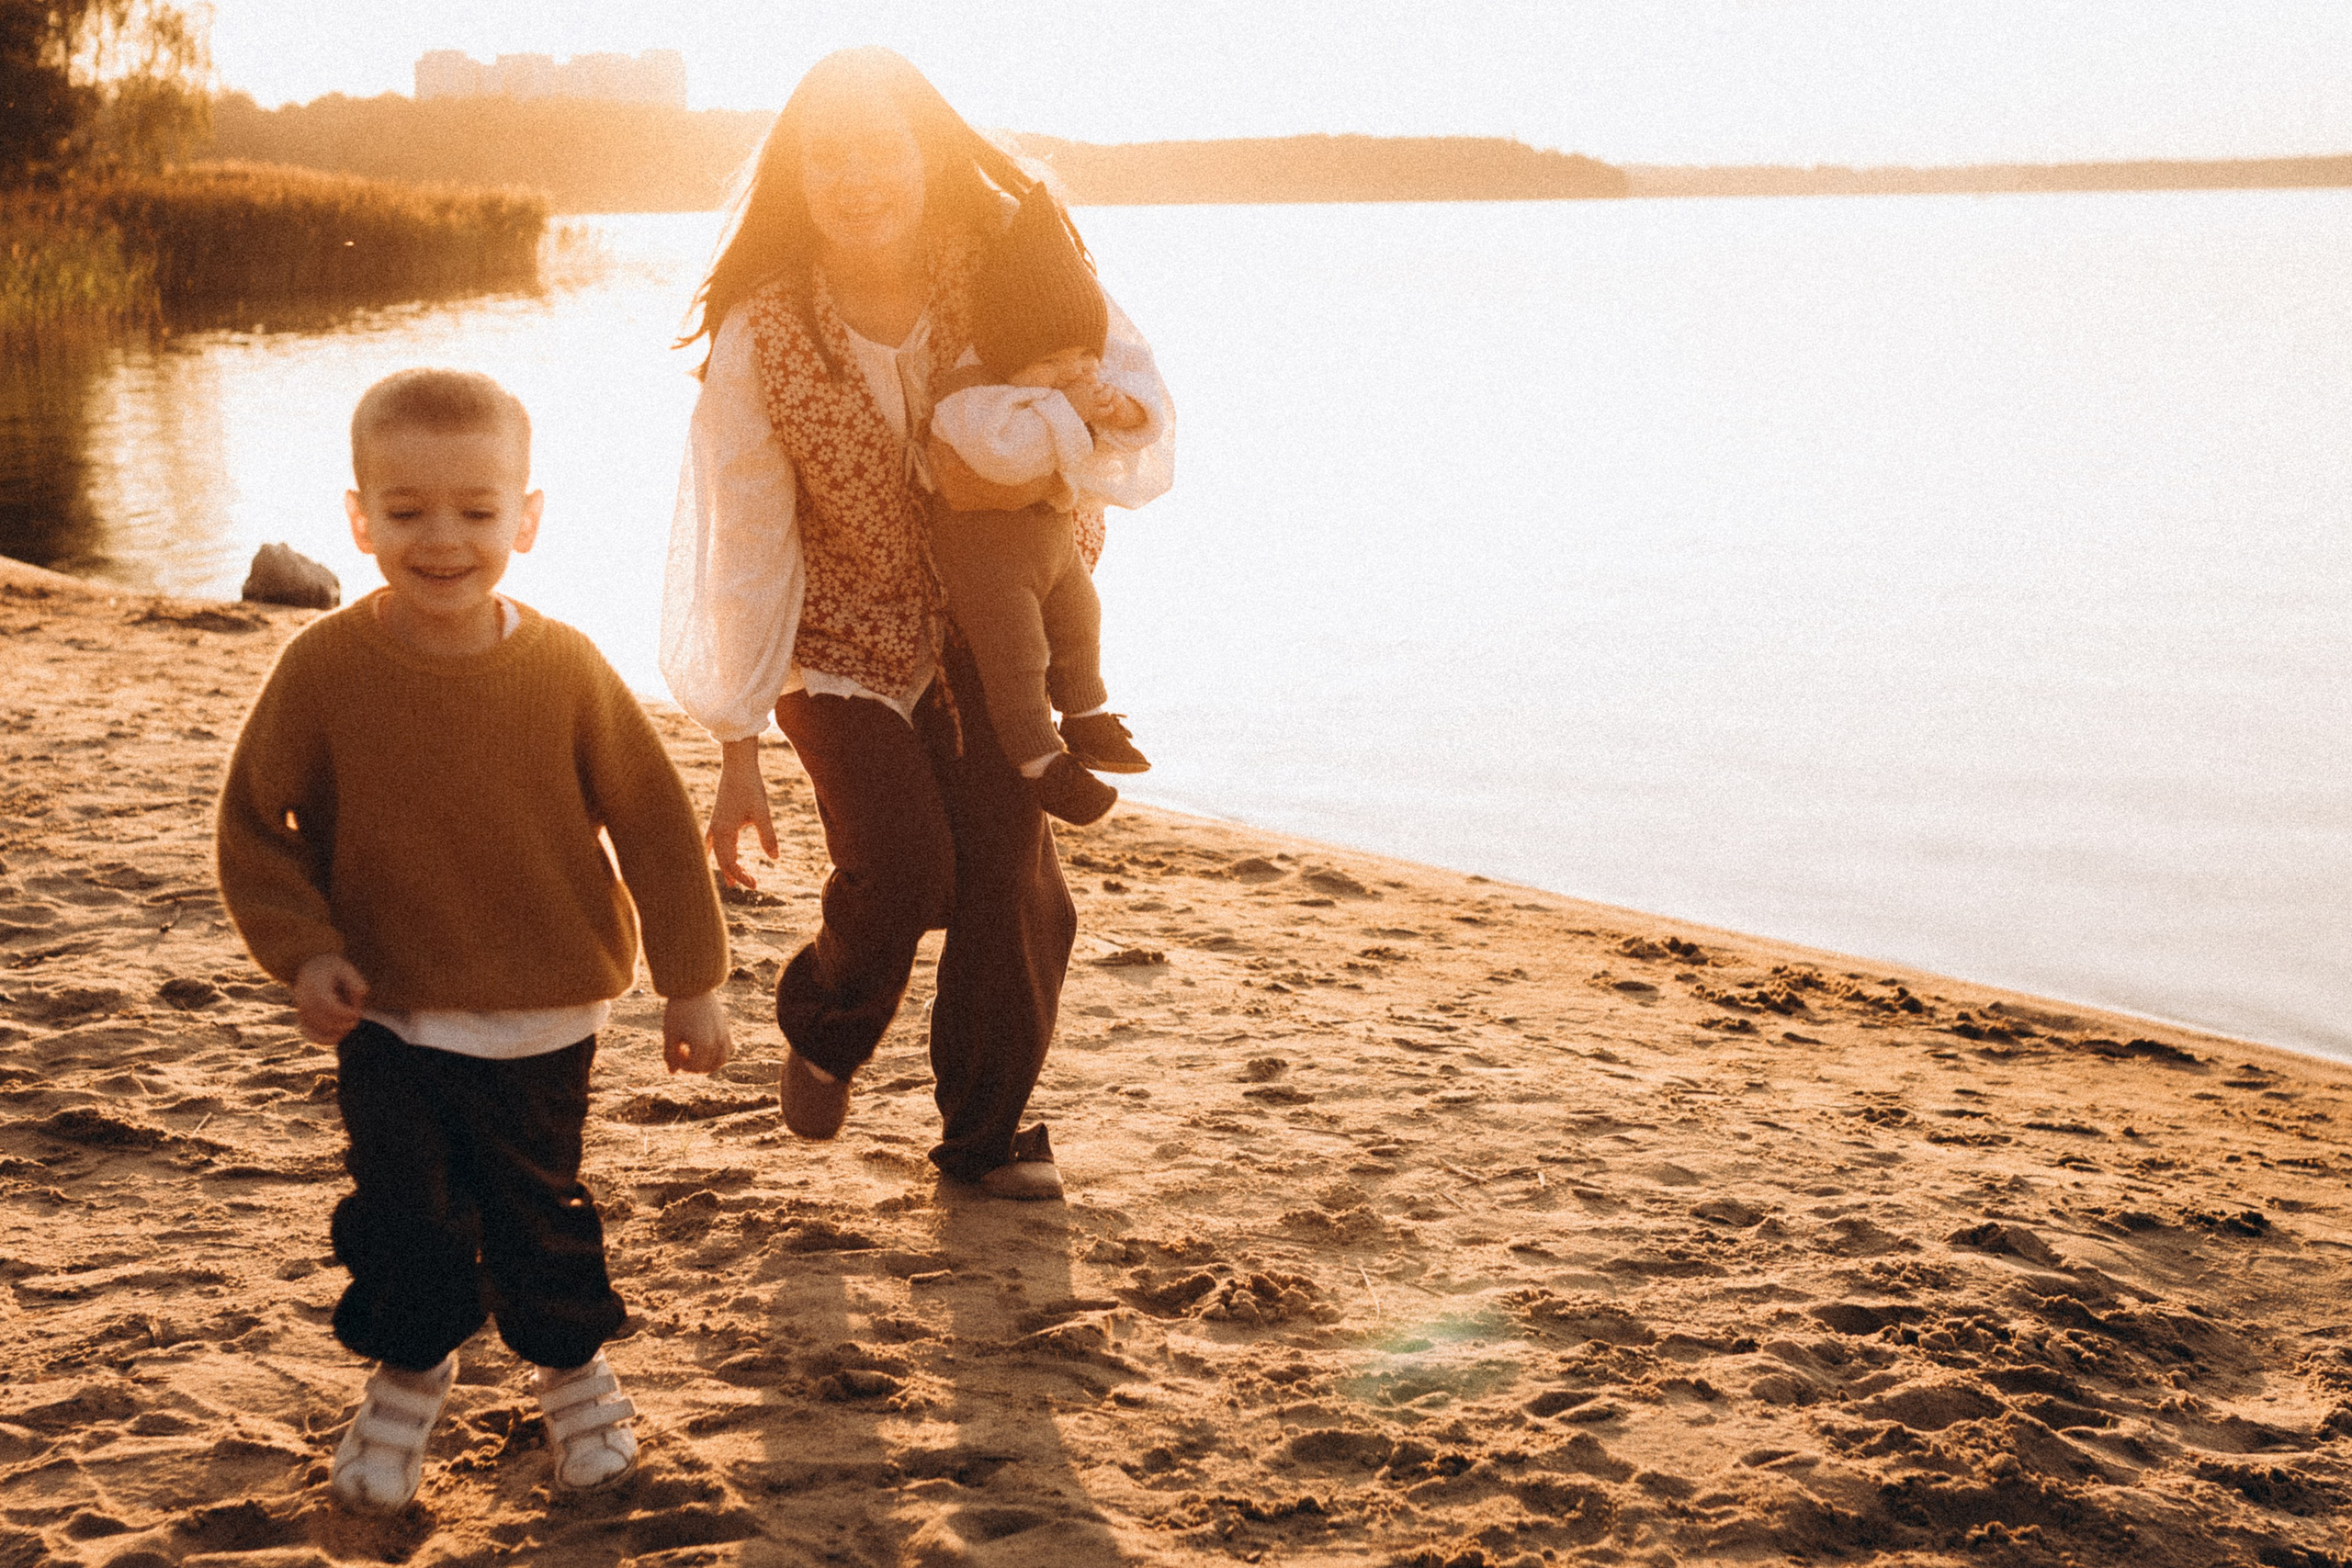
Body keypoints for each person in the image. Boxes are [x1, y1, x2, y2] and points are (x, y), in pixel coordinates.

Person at [660, 47, 1173, 1201]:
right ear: (795, 174)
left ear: (921, 155)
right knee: (900, 870)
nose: (855, 179)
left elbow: (1136, 419)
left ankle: (984, 1138)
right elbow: (744, 541)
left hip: (992, 637)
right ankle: (825, 1022)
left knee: (1006, 875)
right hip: (831, 645)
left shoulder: (1009, 271)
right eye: (825, 156)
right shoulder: (764, 331)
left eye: (877, 151)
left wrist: (1040, 440)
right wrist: (737, 748)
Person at [216, 368, 733, 1511]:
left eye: (476, 511)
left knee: (535, 1211)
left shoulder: (565, 668)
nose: (441, 539)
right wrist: (303, 950)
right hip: (388, 1009)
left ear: (528, 519)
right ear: (358, 519)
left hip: (545, 1013)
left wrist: (692, 981)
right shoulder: (325, 668)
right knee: (402, 1215)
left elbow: (653, 823)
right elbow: (255, 823)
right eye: (405, 513)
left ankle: (572, 1371)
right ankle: (410, 1373)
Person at [925, 181, 1167, 826]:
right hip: (988, 560)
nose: (1075, 372)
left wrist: (1121, 410)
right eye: (1055, 359)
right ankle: (1037, 756)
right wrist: (1075, 419)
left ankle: (1086, 712)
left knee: (1082, 614)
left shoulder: (1064, 383)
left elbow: (1135, 434)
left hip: (1053, 548)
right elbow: (1005, 455)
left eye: (1086, 357)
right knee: (1017, 650)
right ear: (1010, 349)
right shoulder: (973, 394)